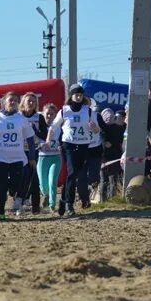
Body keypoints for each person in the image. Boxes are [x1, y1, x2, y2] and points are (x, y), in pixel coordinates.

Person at [46, 84, 100, 216]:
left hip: (83, 145)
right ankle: (70, 204)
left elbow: (97, 130)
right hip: (68, 144)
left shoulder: (88, 111)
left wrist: (94, 127)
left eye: (81, 95)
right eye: (76, 94)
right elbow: (53, 127)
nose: (78, 97)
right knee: (71, 173)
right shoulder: (64, 111)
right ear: (71, 96)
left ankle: (63, 200)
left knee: (74, 175)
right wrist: (48, 140)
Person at [0, 91, 36, 220]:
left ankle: (15, 195)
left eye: (15, 100)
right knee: (2, 187)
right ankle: (1, 213)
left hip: (18, 157)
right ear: (4, 102)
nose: (12, 102)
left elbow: (30, 139)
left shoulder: (21, 119)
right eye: (10, 100)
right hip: (0, 157)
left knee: (15, 185)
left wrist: (31, 157)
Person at [19, 92, 48, 214]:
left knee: (35, 179)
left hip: (34, 150)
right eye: (28, 101)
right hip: (19, 151)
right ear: (23, 103)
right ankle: (19, 203)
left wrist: (35, 131)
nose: (31, 103)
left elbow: (45, 135)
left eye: (33, 101)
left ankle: (36, 206)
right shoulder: (18, 116)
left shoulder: (39, 117)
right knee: (22, 178)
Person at [37, 103, 61, 212]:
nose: (50, 116)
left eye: (52, 114)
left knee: (52, 182)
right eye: (47, 114)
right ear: (43, 114)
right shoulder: (39, 127)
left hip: (56, 157)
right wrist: (40, 145)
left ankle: (52, 205)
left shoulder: (59, 128)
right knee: (43, 185)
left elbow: (64, 140)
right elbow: (33, 143)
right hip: (43, 158)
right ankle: (45, 195)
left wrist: (62, 146)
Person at [100, 108, 125, 201]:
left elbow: (106, 143)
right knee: (111, 180)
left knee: (107, 180)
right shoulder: (118, 128)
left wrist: (106, 142)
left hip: (108, 157)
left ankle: (106, 201)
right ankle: (110, 200)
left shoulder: (102, 128)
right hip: (110, 157)